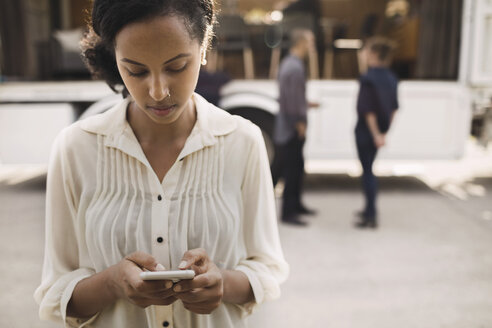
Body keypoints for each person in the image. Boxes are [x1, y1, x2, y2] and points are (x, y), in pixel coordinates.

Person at [34, 1, 289, 327]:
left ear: (204, 48)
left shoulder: (242, 142)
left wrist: (222, 283)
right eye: (136, 71)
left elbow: (265, 271)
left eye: (177, 67)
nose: (157, 91)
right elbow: (58, 295)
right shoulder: (75, 149)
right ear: (114, 57)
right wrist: (113, 283)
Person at [271, 29, 318, 226]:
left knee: (297, 167)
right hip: (291, 128)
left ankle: (297, 204)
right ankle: (289, 212)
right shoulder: (294, 67)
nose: (312, 47)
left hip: (289, 125)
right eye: (310, 43)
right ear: (300, 43)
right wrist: (299, 123)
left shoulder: (291, 64)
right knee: (291, 170)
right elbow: (291, 101)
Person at [354, 36, 399, 228]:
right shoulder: (391, 78)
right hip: (378, 133)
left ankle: (370, 215)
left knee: (367, 173)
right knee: (370, 169)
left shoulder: (368, 78)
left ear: (373, 54)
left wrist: (374, 134)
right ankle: (368, 209)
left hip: (366, 133)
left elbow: (368, 111)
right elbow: (394, 108)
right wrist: (383, 133)